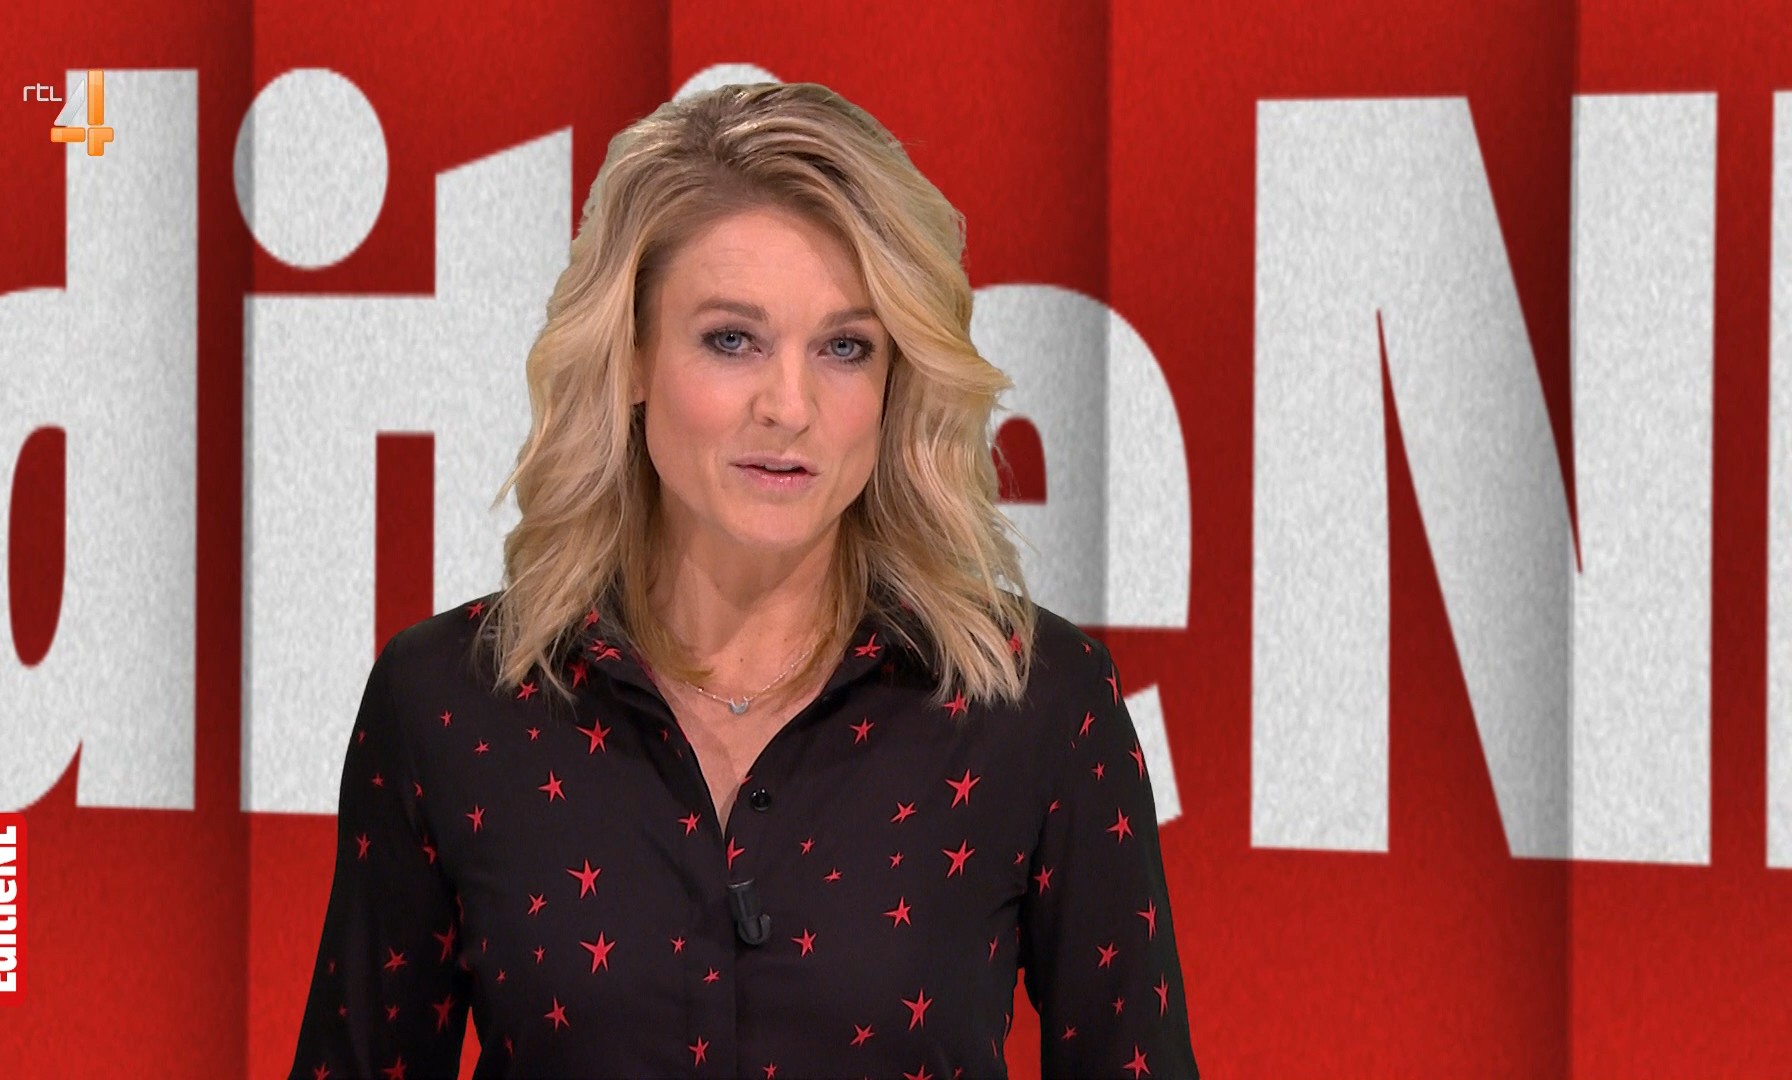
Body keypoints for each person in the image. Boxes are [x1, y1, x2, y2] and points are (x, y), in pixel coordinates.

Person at [289, 81, 1199, 1079]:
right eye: (733, 340)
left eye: (846, 348)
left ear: (896, 380)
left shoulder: (1039, 705)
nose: (789, 405)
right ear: (632, 358)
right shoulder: (449, 700)